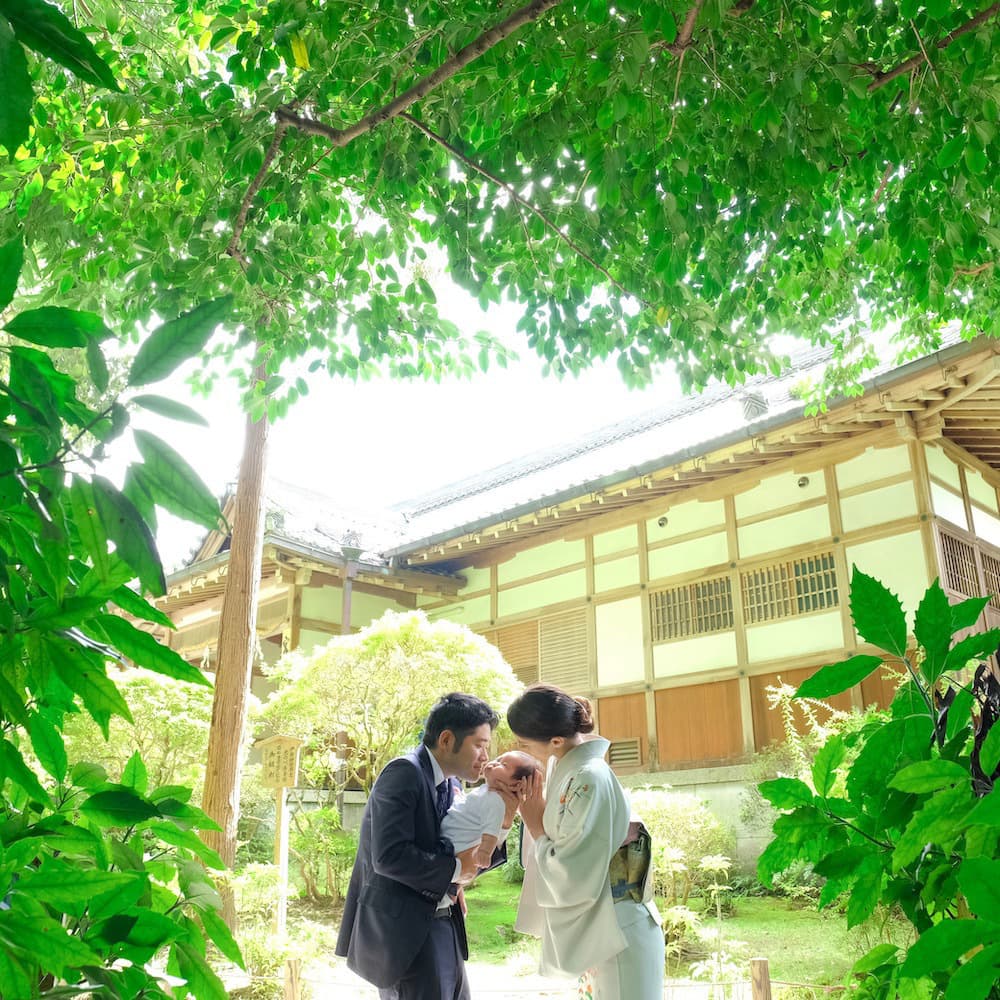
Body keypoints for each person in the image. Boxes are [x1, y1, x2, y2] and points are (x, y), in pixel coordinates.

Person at [335, 692, 510, 1000]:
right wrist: (454, 870)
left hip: (443, 924)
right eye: (479, 744)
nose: (486, 756)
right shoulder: (403, 773)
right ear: (446, 739)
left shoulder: (452, 783)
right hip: (405, 937)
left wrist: (507, 813)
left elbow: (459, 849)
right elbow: (389, 856)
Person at [508, 683, 664, 1000]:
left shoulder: (588, 777)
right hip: (602, 926)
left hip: (617, 927)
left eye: (524, 742)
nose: (522, 748)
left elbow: (574, 870)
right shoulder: (570, 771)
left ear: (555, 740)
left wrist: (536, 824)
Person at [441, 750, 540, 869]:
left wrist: (485, 852)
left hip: (456, 845)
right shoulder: (486, 790)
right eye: (498, 759)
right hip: (451, 840)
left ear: (516, 784)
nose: (494, 763)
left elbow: (491, 830)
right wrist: (459, 797)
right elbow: (472, 805)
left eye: (504, 765)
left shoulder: (496, 801)